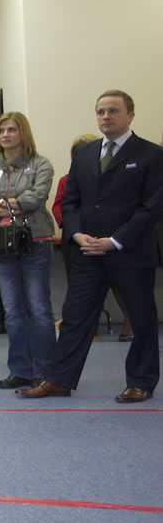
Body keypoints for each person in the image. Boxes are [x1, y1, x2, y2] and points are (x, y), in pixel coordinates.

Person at [24, 90, 163, 403]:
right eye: (100, 111)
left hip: (129, 251)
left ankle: (141, 381)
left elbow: (152, 208)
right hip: (87, 251)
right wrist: (76, 234)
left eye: (113, 111)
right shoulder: (85, 154)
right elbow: (70, 201)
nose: (105, 117)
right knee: (75, 317)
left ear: (130, 115)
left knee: (141, 319)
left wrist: (115, 241)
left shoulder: (151, 155)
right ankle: (59, 379)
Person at [0, 113, 56, 390]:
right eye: (2, 130)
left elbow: (37, 198)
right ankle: (20, 370)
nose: (6, 135)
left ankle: (46, 372)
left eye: (12, 129)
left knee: (40, 309)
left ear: (24, 133)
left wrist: (0, 203)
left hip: (36, 241)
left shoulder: (40, 164)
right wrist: (14, 204)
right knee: (12, 311)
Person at [52, 134, 131, 342]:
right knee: (80, 289)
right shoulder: (66, 180)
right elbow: (61, 206)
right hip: (77, 239)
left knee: (120, 284)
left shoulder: (116, 175)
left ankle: (128, 324)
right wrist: (74, 230)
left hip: (110, 238)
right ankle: (88, 330)